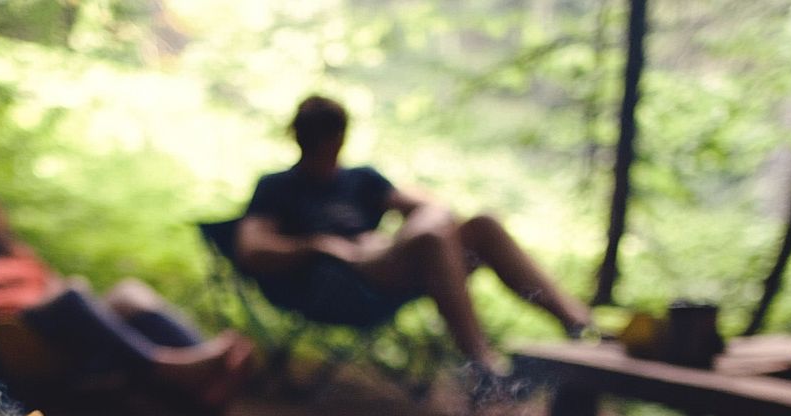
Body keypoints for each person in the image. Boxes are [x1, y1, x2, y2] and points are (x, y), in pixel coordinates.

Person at [235, 95, 594, 381]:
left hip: (393, 257)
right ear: (302, 137)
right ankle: (482, 362)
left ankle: (578, 322)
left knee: (481, 224)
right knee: (433, 240)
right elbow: (251, 248)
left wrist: (411, 227)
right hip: (345, 279)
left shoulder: (361, 179)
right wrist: (317, 246)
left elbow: (426, 205)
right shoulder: (278, 186)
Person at [0, 168, 254, 413]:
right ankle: (169, 367)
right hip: (2, 348)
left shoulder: (13, 253)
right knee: (73, 292)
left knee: (128, 292)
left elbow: (61, 297)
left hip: (63, 336)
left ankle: (207, 370)